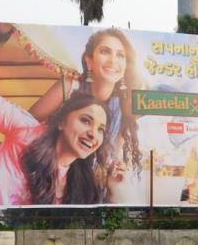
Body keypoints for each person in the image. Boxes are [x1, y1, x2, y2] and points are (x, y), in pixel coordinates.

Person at [29, 28, 144, 181]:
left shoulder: (122, 105)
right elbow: (25, 124)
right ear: (89, 61)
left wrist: (113, 169)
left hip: (91, 187)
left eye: (120, 55)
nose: (113, 60)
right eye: (105, 51)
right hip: (50, 176)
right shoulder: (70, 87)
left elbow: (112, 157)